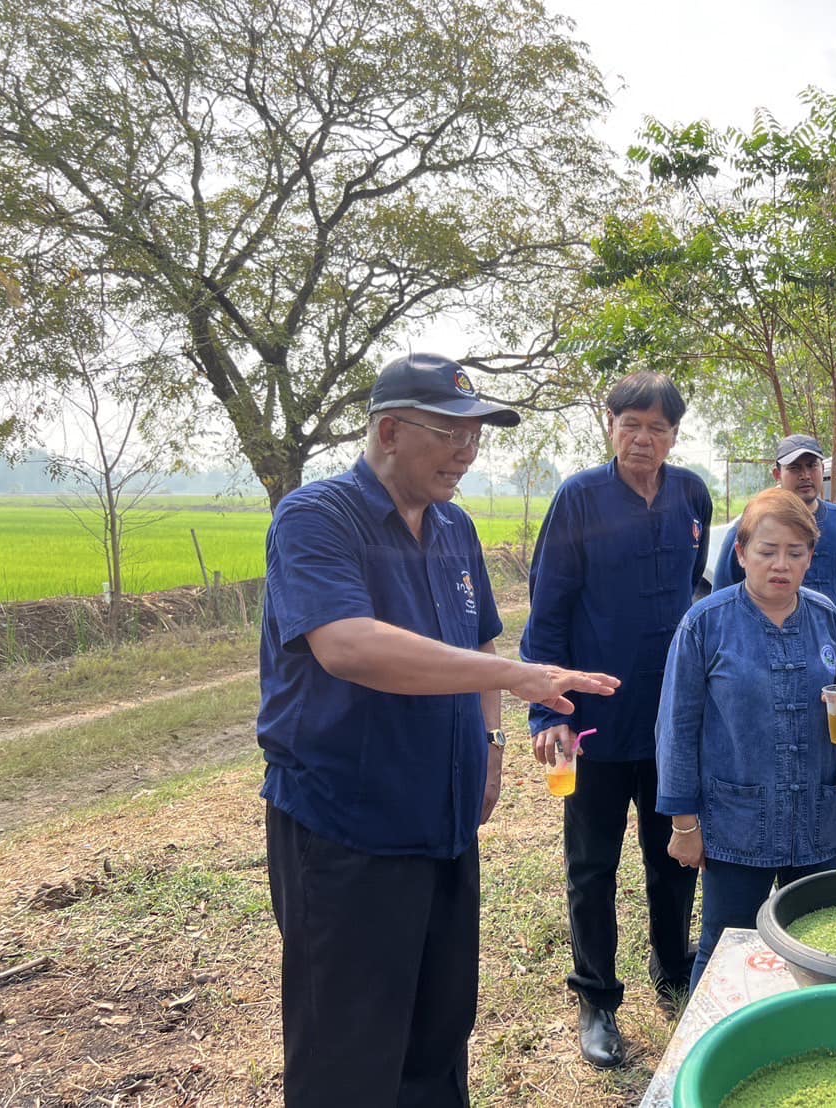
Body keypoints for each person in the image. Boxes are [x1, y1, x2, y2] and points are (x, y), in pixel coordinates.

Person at [257, 352, 619, 1107]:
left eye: (477, 432)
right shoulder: (317, 517)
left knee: (438, 1033)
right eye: (451, 431)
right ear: (389, 430)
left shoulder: (454, 527)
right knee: (348, 1050)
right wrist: (519, 680)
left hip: (444, 820)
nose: (468, 450)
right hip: (346, 828)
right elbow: (347, 645)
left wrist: (489, 746)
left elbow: (477, 642)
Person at [520, 371, 712, 1069]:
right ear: (609, 425)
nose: (643, 439)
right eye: (631, 424)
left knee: (676, 854)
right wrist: (548, 709)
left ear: (674, 436)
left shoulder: (690, 493)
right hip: (591, 725)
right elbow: (548, 610)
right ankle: (596, 997)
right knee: (590, 866)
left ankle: (672, 964)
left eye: (657, 428)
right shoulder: (579, 498)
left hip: (671, 721)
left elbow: (696, 585)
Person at [656, 488, 836, 989]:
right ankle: (706, 1054)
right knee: (726, 951)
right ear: (741, 553)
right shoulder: (706, 623)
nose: (781, 565)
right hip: (738, 823)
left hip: (816, 820)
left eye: (795, 553)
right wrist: (685, 824)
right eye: (767, 551)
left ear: (811, 558)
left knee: (819, 950)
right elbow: (676, 729)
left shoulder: (824, 617)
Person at [712, 433, 836, 602]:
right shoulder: (751, 525)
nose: (805, 475)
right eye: (794, 468)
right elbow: (721, 599)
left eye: (812, 466)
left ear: (822, 469)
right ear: (777, 474)